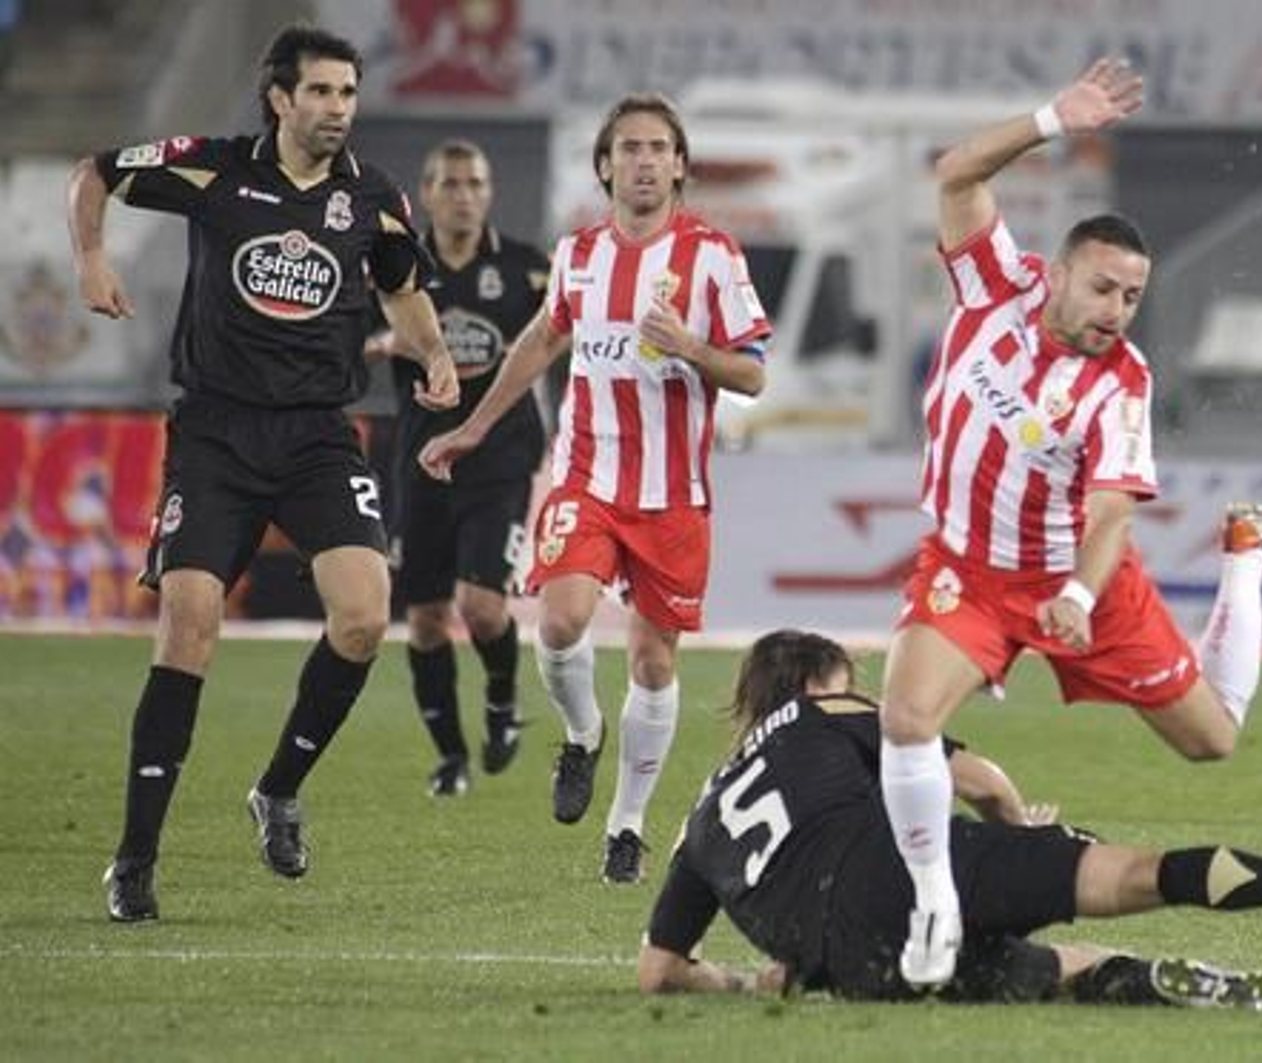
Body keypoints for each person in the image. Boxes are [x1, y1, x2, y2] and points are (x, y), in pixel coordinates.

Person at [878, 58, 1262, 987]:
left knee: (1212, 740)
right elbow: (957, 173)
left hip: (1076, 581)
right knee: (906, 717)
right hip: (970, 570)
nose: (1118, 310)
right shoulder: (999, 288)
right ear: (1059, 273)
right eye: (1105, 288)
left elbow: (1112, 508)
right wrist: (1051, 118)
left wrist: (1078, 591)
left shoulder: (1123, 382)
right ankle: (933, 905)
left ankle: (1246, 559)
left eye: (1132, 297)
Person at [69, 25, 459, 922]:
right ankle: (134, 858)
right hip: (215, 433)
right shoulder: (215, 169)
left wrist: (434, 354)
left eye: (348, 94)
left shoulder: (373, 196)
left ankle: (278, 788)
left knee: (365, 615)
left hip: (320, 436)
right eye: (320, 93)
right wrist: (92, 256)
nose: (336, 111)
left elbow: (401, 282)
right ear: (280, 99)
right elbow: (94, 170)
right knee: (190, 621)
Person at [639, 630, 1262, 1006]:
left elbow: (661, 969)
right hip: (904, 880)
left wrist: (744, 979)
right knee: (1140, 873)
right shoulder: (837, 710)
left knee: (1043, 968)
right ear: (827, 677)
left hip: (849, 968)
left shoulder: (702, 811)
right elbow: (977, 777)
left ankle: (1158, 983)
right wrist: (1018, 829)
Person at [419, 93, 771, 883]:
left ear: (680, 165)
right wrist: (474, 425)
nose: (645, 161)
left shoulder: (713, 256)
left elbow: (751, 370)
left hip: (673, 493)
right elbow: (543, 338)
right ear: (605, 164)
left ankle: (627, 824)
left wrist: (692, 349)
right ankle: (581, 734)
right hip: (587, 474)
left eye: (659, 148)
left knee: (652, 664)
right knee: (560, 621)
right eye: (630, 148)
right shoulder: (579, 254)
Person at [367, 140, 551, 797]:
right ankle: (450, 756)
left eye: (475, 182)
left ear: (490, 191)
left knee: (480, 606)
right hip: (420, 462)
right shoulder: (394, 266)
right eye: (450, 183)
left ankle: (501, 696)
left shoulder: (529, 269)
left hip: (500, 458)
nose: (464, 194)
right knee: (422, 617)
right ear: (428, 192)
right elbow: (349, 332)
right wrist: (380, 340)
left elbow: (566, 334)